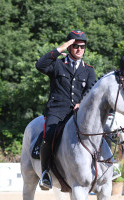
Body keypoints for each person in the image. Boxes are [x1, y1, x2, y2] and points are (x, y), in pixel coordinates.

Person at [36, 30, 96, 190]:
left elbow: (90, 91)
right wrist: (61, 48)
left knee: (100, 132)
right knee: (48, 137)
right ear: (70, 47)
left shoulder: (89, 70)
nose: (79, 49)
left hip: (78, 113)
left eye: (82, 46)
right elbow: (40, 65)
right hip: (57, 111)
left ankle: (104, 169)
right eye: (75, 46)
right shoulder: (57, 64)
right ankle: (45, 174)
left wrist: (81, 103)